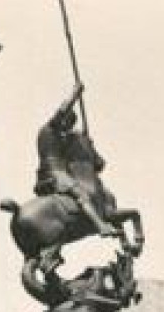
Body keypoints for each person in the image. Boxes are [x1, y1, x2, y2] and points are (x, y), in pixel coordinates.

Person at [33, 83, 118, 238]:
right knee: (81, 194)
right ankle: (101, 225)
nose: (67, 128)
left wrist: (83, 140)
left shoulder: (58, 136)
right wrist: (74, 94)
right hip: (56, 171)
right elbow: (61, 112)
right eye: (67, 123)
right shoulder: (50, 129)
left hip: (46, 175)